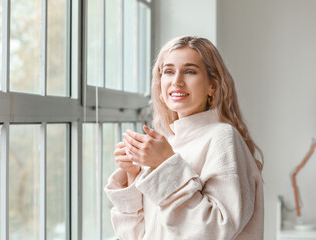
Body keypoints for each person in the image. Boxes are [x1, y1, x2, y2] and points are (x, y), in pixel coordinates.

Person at [105, 36, 264, 240]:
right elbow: (135, 236)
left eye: (189, 71)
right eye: (169, 71)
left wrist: (164, 164)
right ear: (161, 85)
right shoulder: (167, 145)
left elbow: (216, 230)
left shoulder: (222, 137)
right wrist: (132, 174)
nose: (177, 81)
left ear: (212, 86)